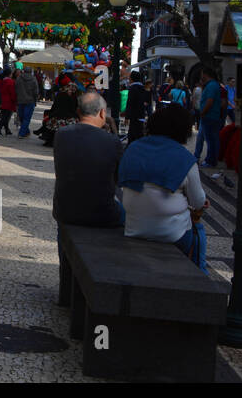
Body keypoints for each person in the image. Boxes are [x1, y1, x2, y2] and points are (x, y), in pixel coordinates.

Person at [52, 89, 124, 304]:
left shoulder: (61, 135)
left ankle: (66, 285)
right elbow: (118, 180)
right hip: (102, 213)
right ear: (102, 113)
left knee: (64, 228)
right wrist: (111, 133)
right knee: (128, 216)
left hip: (65, 209)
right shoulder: (112, 143)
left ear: (77, 111)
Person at [119, 104, 208, 273]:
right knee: (198, 228)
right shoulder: (185, 158)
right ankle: (201, 274)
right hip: (172, 235)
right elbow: (198, 202)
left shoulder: (133, 149)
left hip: (134, 228)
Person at [194, 68, 224, 168]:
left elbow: (210, 101)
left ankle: (210, 161)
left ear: (205, 74)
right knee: (210, 139)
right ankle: (210, 159)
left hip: (209, 116)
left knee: (210, 140)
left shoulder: (211, 86)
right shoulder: (213, 85)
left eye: (202, 74)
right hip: (211, 116)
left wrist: (203, 112)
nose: (201, 76)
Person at [124, 70, 151, 143]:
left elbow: (130, 103)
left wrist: (127, 117)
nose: (128, 79)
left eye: (129, 77)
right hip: (141, 114)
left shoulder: (132, 88)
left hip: (134, 115)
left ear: (132, 78)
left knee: (132, 134)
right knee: (138, 133)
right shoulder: (143, 88)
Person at [15, 62, 39, 139]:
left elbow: (16, 88)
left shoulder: (19, 78)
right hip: (30, 101)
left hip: (21, 100)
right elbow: (36, 91)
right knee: (26, 117)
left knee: (22, 117)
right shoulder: (33, 79)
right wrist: (35, 99)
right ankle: (22, 133)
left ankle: (25, 132)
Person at [0, 67, 17, 137]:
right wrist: (15, 100)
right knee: (6, 116)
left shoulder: (0, 81)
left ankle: (7, 129)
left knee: (5, 115)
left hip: (1, 101)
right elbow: (12, 93)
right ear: (9, 74)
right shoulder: (10, 82)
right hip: (8, 101)